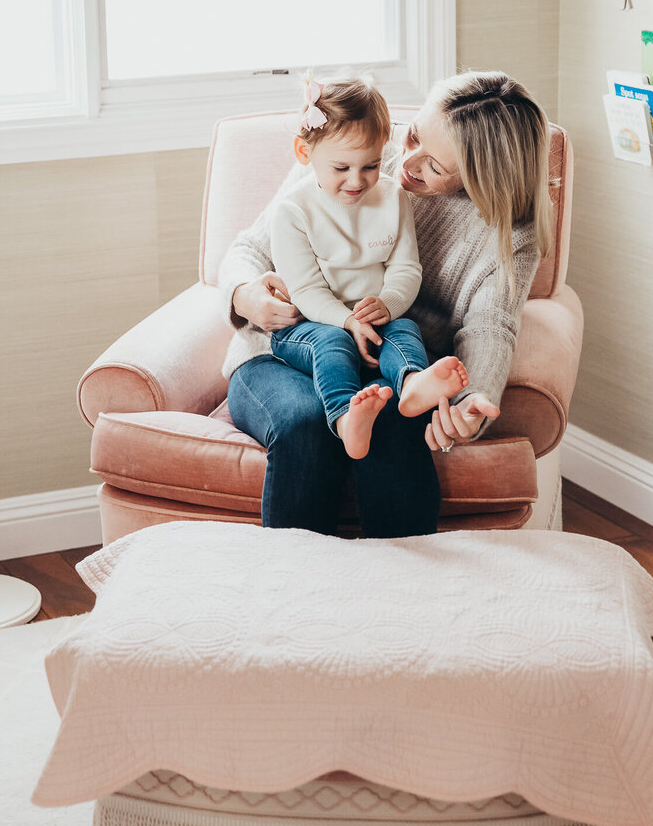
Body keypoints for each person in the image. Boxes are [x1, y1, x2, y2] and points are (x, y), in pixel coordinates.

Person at [218, 71, 553, 537]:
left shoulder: (507, 237)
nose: (406, 162)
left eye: (434, 166)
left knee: (392, 426)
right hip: (281, 353)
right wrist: (245, 295)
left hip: (386, 361)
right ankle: (293, 586)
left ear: (480, 179)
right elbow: (248, 249)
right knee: (305, 426)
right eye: (413, 134)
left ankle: (405, 589)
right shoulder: (350, 149)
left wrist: (469, 404)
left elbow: (490, 327)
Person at [269, 76, 469, 461]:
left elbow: (406, 268)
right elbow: (307, 290)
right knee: (333, 343)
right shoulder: (293, 211)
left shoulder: (393, 197)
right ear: (304, 152)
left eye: (371, 165)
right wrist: (347, 321)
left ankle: (412, 385)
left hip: (374, 317)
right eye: (342, 167)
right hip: (311, 325)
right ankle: (346, 418)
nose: (357, 180)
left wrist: (389, 303)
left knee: (405, 329)